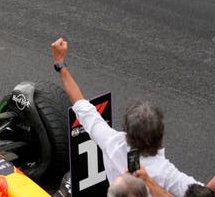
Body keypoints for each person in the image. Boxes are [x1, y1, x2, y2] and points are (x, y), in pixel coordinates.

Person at [49, 37, 208, 196]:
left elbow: (81, 104)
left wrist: (60, 62)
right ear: (161, 134)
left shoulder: (112, 143)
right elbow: (206, 193)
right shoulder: (167, 174)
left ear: (128, 132)